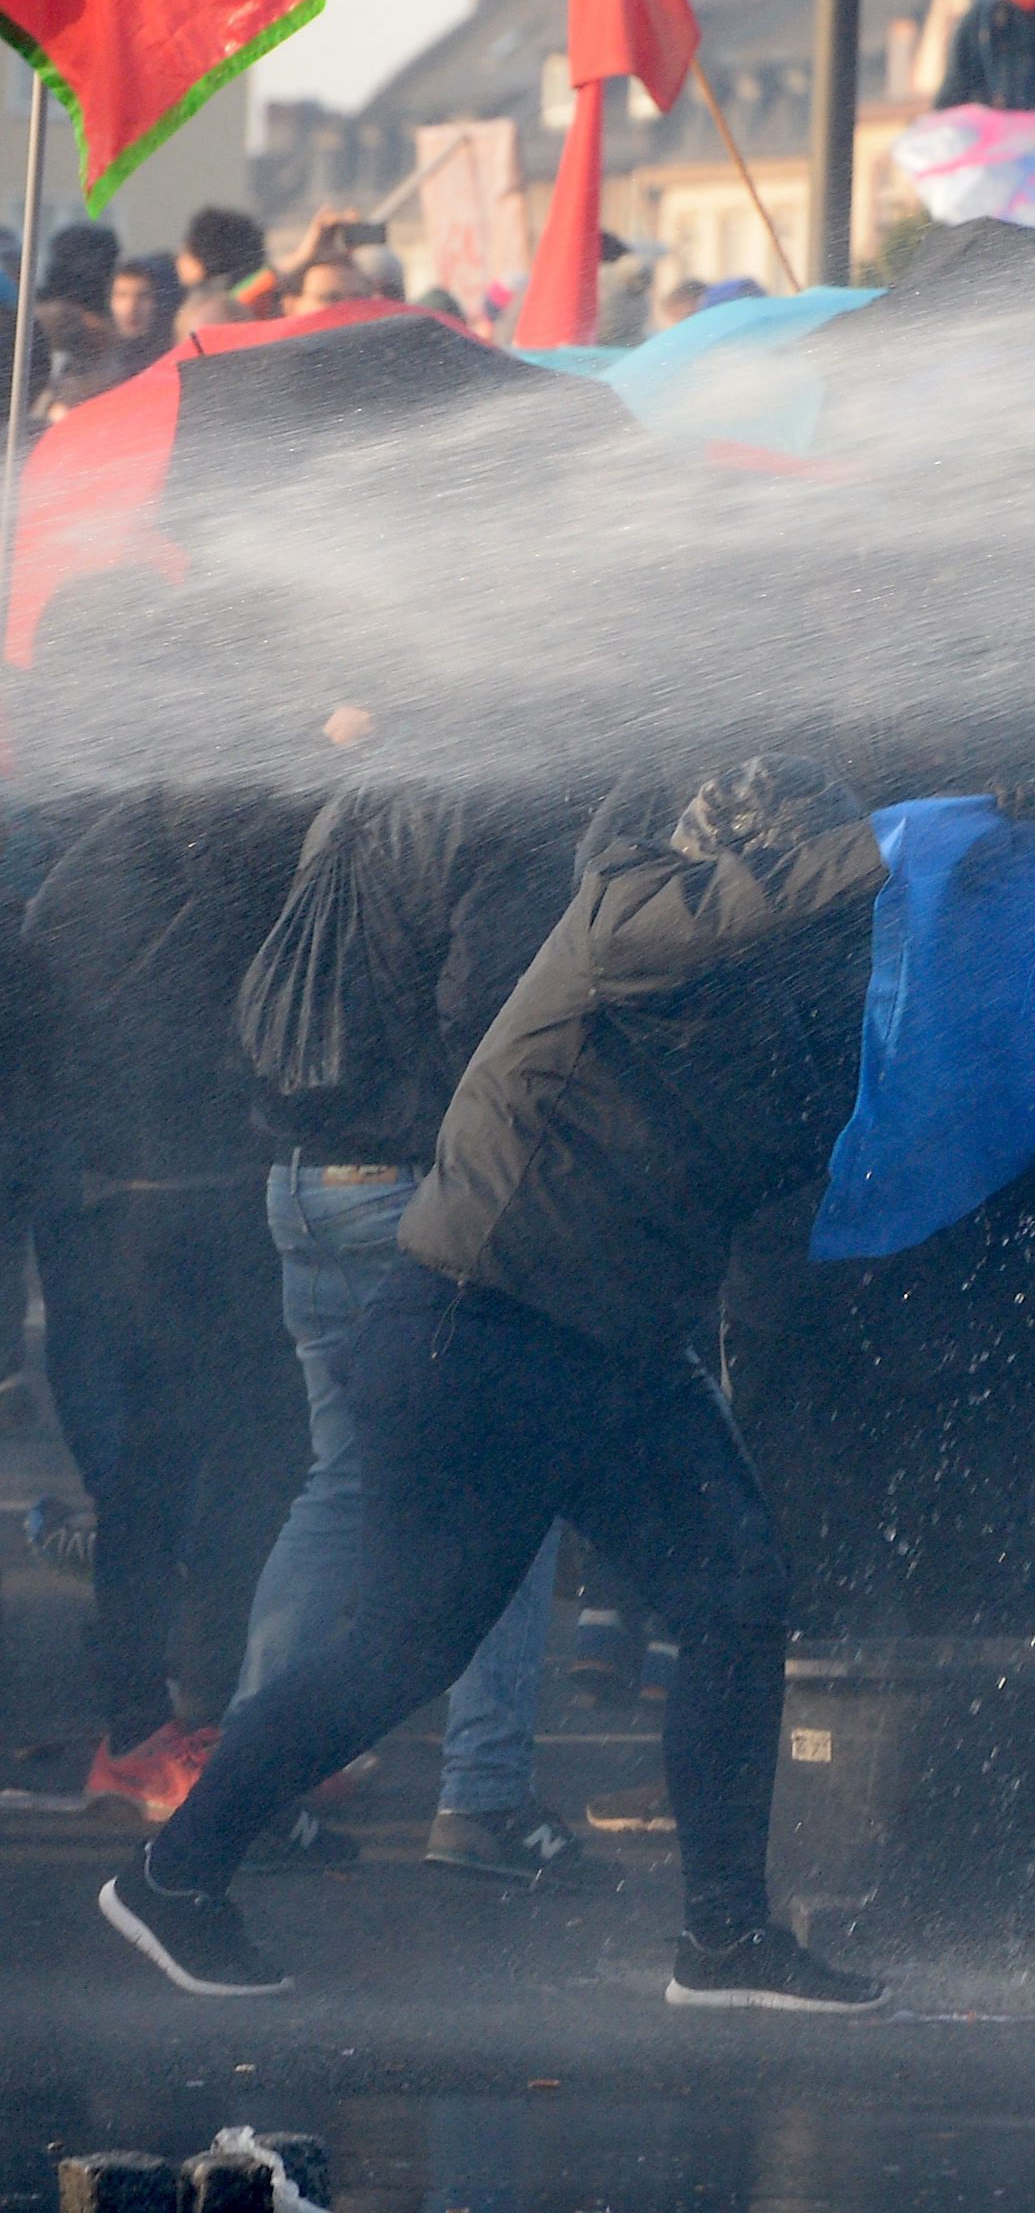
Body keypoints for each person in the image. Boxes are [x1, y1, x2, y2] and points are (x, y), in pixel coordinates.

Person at [103, 758, 894, 2009]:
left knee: (736, 1593)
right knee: (399, 1649)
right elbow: (704, 917)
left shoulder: (747, 1012)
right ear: (752, 866)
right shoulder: (624, 910)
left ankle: (726, 1939)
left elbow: (814, 1126)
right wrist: (889, 843)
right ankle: (176, 1872)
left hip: (613, 1350)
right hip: (485, 1331)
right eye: (806, 878)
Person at [228, 765, 603, 1888]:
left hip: (303, 1184)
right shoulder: (511, 797)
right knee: (508, 1489)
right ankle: (483, 1798)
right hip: (419, 1190)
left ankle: (246, 1785)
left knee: (339, 1481)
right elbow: (491, 1005)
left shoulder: (352, 797)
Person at [26, 782, 319, 1826]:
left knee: (208, 1468)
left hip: (163, 1209)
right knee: (207, 1467)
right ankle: (165, 1732)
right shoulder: (200, 844)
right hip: (174, 1217)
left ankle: (178, 1725)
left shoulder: (135, 848)